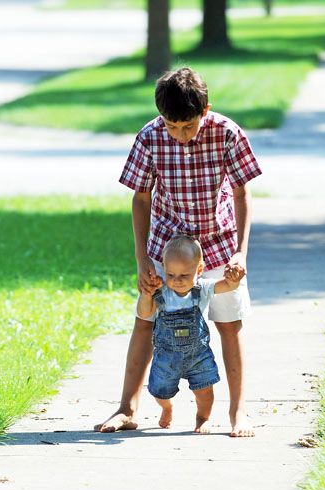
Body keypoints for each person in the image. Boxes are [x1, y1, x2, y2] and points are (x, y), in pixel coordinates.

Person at [96, 66, 262, 437]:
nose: (180, 135)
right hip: (165, 251)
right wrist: (142, 258)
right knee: (147, 321)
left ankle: (238, 413)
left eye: (188, 126)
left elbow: (241, 192)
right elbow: (140, 198)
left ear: (205, 111)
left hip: (218, 247)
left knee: (229, 325)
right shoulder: (151, 137)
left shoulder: (226, 133)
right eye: (172, 126)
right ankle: (127, 408)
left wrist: (240, 252)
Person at [137, 235, 245, 434]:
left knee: (205, 392)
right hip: (166, 357)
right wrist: (146, 295)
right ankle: (167, 408)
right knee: (159, 392)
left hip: (198, 356)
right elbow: (145, 314)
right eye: (171, 275)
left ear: (200, 270)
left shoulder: (202, 289)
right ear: (164, 268)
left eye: (184, 276)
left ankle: (202, 417)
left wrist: (233, 279)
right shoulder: (160, 291)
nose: (177, 281)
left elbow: (227, 286)